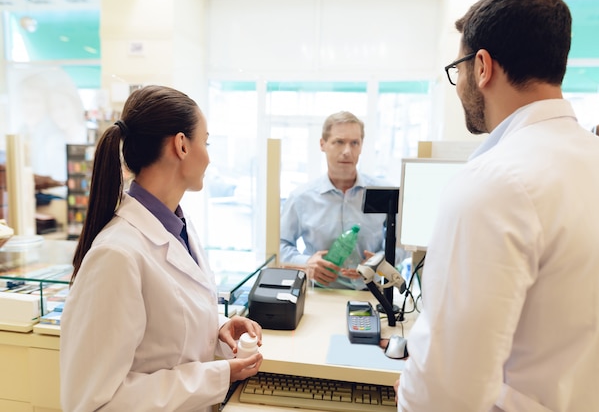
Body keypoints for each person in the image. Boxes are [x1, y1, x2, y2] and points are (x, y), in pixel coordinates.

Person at [396, 0, 599, 411]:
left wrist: (413, 391)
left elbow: (446, 395)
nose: (460, 85)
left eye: (458, 70)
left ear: (482, 67)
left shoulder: (491, 184)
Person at [60, 85, 263, 412]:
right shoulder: (116, 254)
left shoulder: (178, 227)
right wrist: (217, 375)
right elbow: (93, 403)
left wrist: (214, 330)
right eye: (205, 142)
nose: (209, 156)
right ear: (182, 145)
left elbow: (162, 342)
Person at [280, 111, 404, 289]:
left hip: (371, 293)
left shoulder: (385, 193)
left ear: (361, 147)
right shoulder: (301, 197)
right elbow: (281, 244)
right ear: (322, 144)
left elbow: (402, 244)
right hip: (319, 295)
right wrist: (306, 262)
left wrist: (380, 262)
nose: (347, 151)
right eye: (339, 142)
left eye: (354, 143)